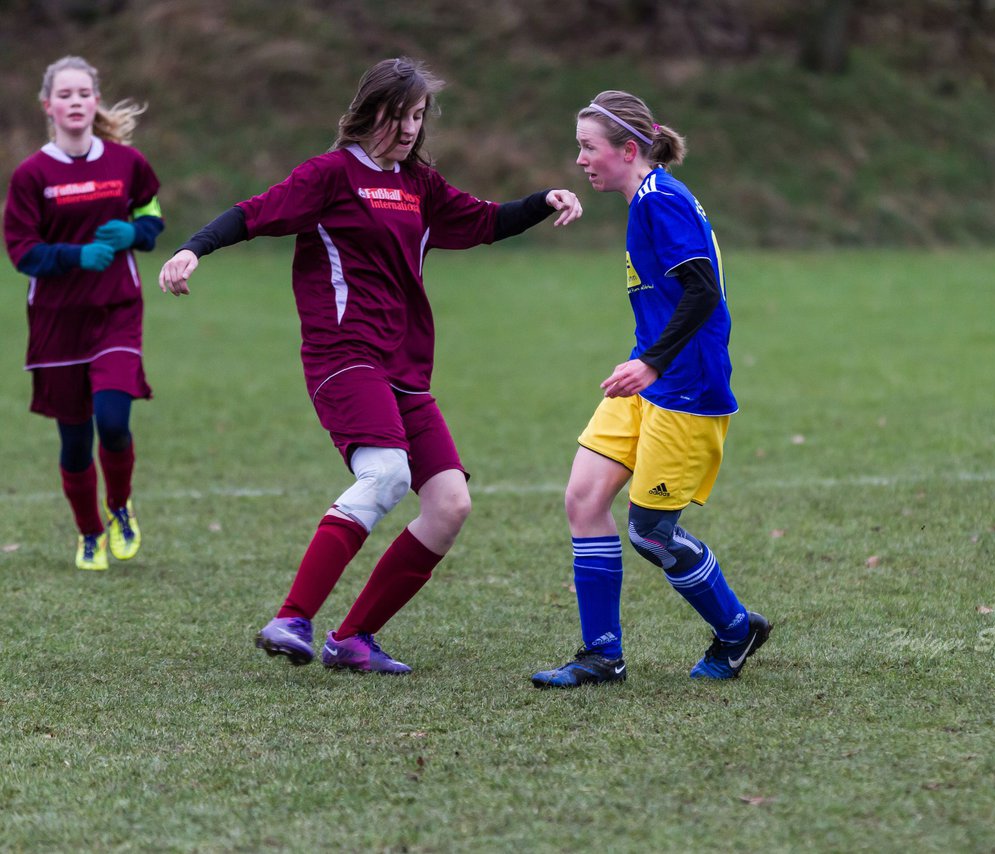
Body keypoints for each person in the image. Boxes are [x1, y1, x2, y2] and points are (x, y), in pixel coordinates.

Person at [158, 57, 582, 675]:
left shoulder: (418, 185)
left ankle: (351, 637)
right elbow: (253, 213)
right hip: (343, 358)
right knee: (385, 473)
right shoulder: (329, 175)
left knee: (450, 504)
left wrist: (543, 200)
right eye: (400, 114)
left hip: (405, 367)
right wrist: (192, 250)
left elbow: (485, 220)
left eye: (418, 116)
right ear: (370, 110)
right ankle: (292, 617)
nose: (410, 128)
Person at [531, 91, 770, 688]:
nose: (580, 159)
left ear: (627, 149)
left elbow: (703, 290)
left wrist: (654, 364)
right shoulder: (645, 200)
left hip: (686, 386)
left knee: (650, 531)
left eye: (589, 147)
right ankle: (601, 655)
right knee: (584, 500)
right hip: (651, 376)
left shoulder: (662, 202)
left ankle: (737, 629)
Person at [4, 56, 164, 572]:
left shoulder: (125, 163)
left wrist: (134, 234)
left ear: (95, 101)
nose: (75, 101)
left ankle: (119, 508)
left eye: (83, 93)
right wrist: (75, 256)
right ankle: (89, 533)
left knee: (113, 422)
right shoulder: (32, 174)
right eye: (64, 94)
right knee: (75, 440)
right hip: (56, 321)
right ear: (47, 105)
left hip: (116, 311)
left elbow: (150, 212)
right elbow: (22, 251)